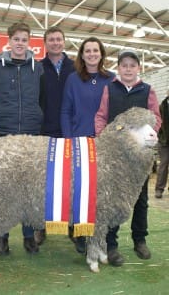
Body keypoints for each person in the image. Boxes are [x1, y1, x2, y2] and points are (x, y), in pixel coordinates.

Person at [95, 49, 161, 266]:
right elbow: (101, 116)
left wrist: (145, 135)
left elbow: (156, 118)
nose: (128, 69)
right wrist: (102, 138)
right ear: (119, 68)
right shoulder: (109, 89)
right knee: (112, 198)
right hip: (114, 155)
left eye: (132, 65)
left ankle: (139, 239)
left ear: (138, 68)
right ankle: (111, 244)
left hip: (139, 155)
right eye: (124, 65)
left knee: (140, 198)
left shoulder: (148, 91)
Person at [0, 22, 45, 255]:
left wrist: (42, 132)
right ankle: (3, 236)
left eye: (24, 39)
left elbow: (43, 101)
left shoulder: (37, 69)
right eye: (16, 39)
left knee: (29, 189)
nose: (20, 43)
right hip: (3, 135)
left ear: (30, 43)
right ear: (9, 41)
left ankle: (29, 236)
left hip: (30, 135)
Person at [61, 37, 115, 253]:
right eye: (87, 51)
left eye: (95, 50)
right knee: (79, 189)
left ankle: (99, 235)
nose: (92, 54)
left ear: (101, 53)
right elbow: (65, 110)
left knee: (100, 192)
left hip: (104, 144)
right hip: (79, 141)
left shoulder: (112, 79)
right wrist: (68, 139)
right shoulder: (73, 79)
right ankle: (78, 232)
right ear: (82, 55)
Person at [35, 26, 75, 245]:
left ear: (64, 41)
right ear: (45, 43)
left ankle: (71, 224)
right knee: (43, 182)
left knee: (71, 181)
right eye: (51, 40)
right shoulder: (38, 68)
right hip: (45, 132)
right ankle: (41, 226)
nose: (56, 43)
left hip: (70, 132)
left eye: (59, 39)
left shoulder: (75, 67)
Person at [155, 88, 169, 198]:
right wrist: (160, 137)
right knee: (163, 165)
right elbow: (157, 124)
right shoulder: (162, 107)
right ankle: (159, 189)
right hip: (164, 141)